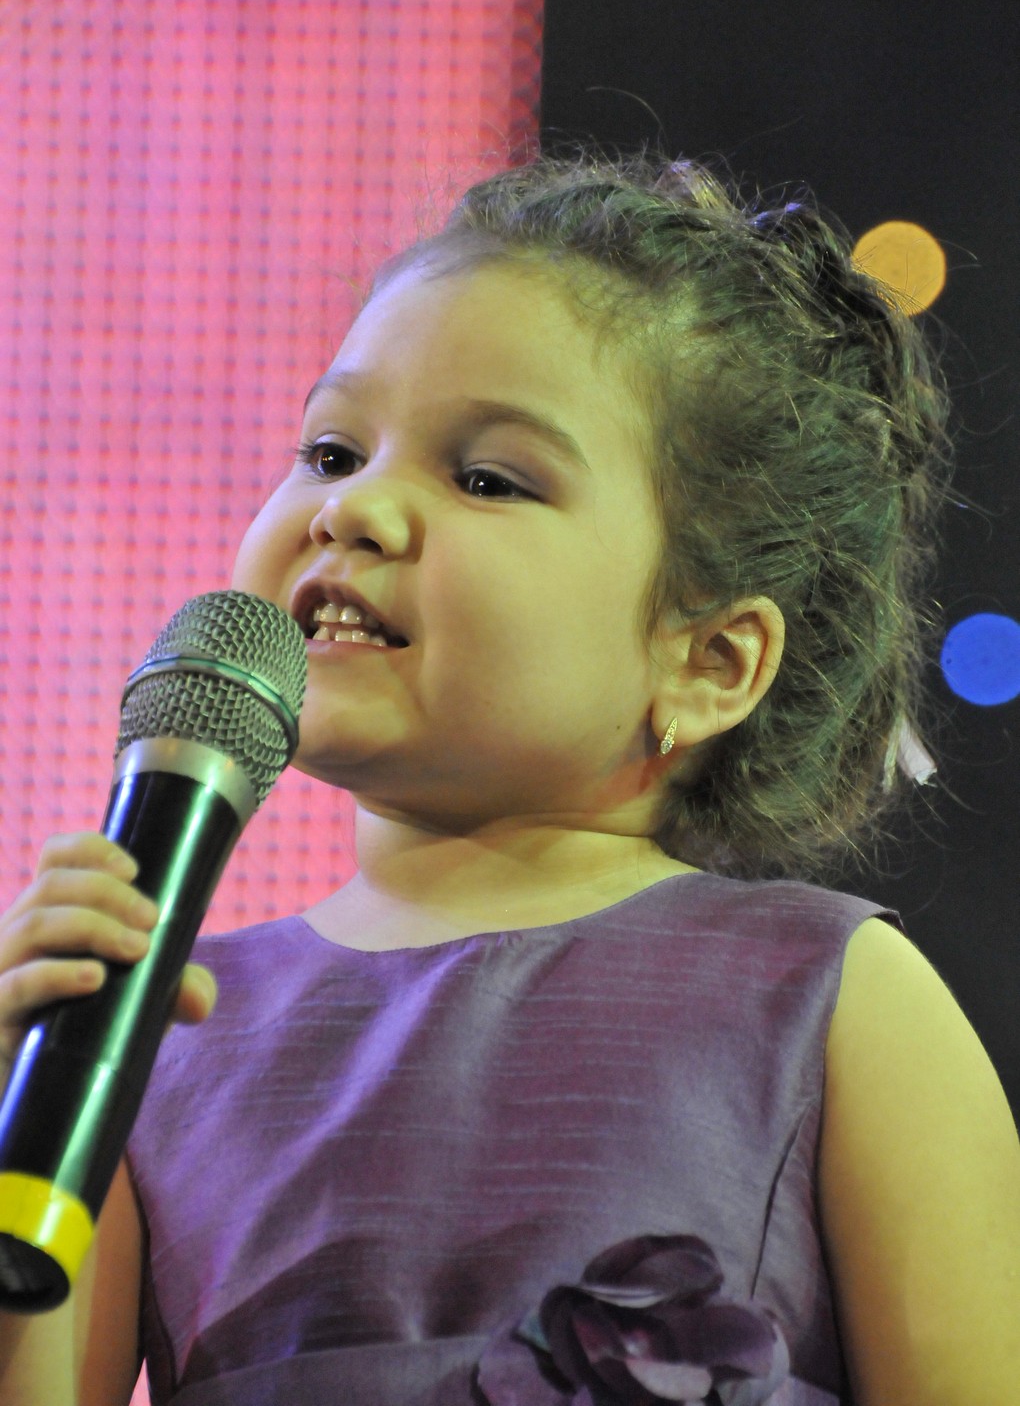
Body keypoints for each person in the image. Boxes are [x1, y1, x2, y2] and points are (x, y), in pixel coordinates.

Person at [0, 153, 1017, 1406]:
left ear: (708, 660)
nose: (354, 511)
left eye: (486, 477)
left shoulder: (828, 999)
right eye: (331, 451)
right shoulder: (159, 1032)